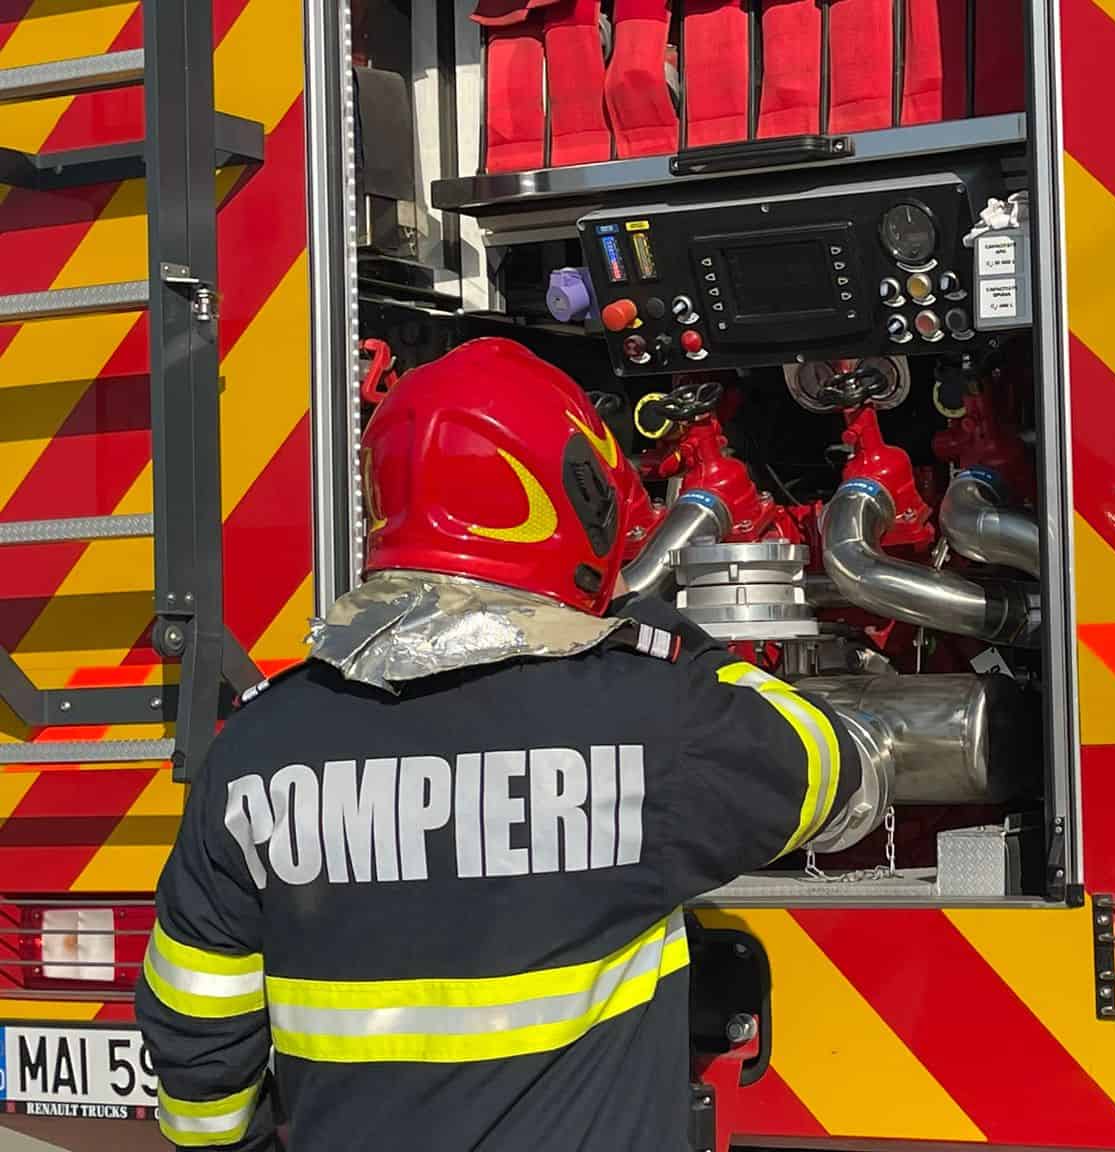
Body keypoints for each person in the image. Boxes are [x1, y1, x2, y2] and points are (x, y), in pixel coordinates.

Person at [135, 338, 886, 1151]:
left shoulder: (254, 750)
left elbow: (197, 1033)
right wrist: (677, 644)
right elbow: (837, 768)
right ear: (573, 498)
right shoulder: (653, 723)